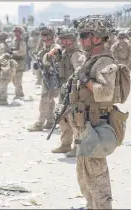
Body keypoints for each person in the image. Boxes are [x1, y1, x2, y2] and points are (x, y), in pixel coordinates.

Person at [72, 14, 120, 209]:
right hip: (83, 124)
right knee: (84, 175)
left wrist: (85, 80)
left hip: (96, 124)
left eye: (85, 35)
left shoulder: (104, 62)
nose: (81, 40)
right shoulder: (90, 59)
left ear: (98, 38)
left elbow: (105, 93)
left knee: (97, 177)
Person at [51, 28, 86, 157]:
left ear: (73, 39)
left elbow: (80, 71)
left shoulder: (76, 54)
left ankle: (77, 147)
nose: (63, 41)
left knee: (75, 120)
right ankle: (65, 144)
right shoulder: (65, 52)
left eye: (66, 39)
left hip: (73, 91)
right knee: (61, 117)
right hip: (64, 89)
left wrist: (75, 89)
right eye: (62, 39)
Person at [28, 25, 61, 132]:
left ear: (51, 35)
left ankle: (40, 122)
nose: (43, 37)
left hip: (53, 76)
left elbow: (53, 60)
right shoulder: (44, 46)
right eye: (42, 35)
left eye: (46, 34)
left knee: (45, 98)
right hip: (46, 75)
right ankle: (50, 120)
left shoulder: (55, 47)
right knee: (49, 100)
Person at [10, 26, 27, 100]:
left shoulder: (22, 41)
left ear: (20, 33)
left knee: (18, 79)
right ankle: (20, 92)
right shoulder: (14, 40)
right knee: (13, 79)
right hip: (14, 62)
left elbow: (22, 52)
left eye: (17, 32)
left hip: (19, 62)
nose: (16, 33)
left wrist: (13, 52)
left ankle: (17, 95)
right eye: (15, 31)